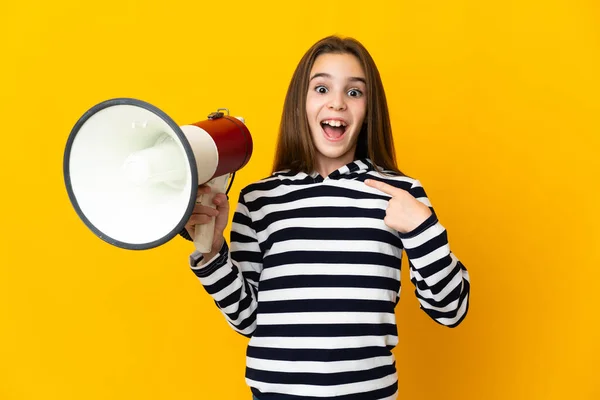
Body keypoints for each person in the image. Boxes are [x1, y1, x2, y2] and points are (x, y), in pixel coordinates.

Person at [183, 35, 471, 400]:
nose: (337, 102)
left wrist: (423, 230)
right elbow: (248, 319)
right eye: (321, 88)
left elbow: (451, 309)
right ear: (300, 103)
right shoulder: (259, 199)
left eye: (354, 93)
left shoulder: (401, 193)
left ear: (370, 108)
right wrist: (211, 253)